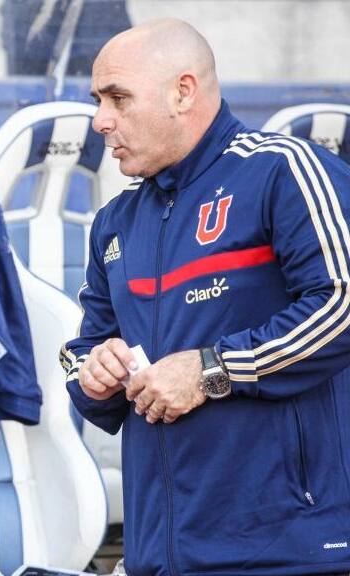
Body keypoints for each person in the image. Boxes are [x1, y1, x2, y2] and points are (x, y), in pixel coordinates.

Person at [60, 18, 350, 576]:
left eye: (118, 98)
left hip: (288, 553)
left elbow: (341, 304)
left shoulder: (283, 172)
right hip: (159, 556)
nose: (100, 120)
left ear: (183, 91)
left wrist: (213, 369)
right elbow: (83, 348)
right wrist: (94, 372)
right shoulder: (115, 222)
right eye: (98, 100)